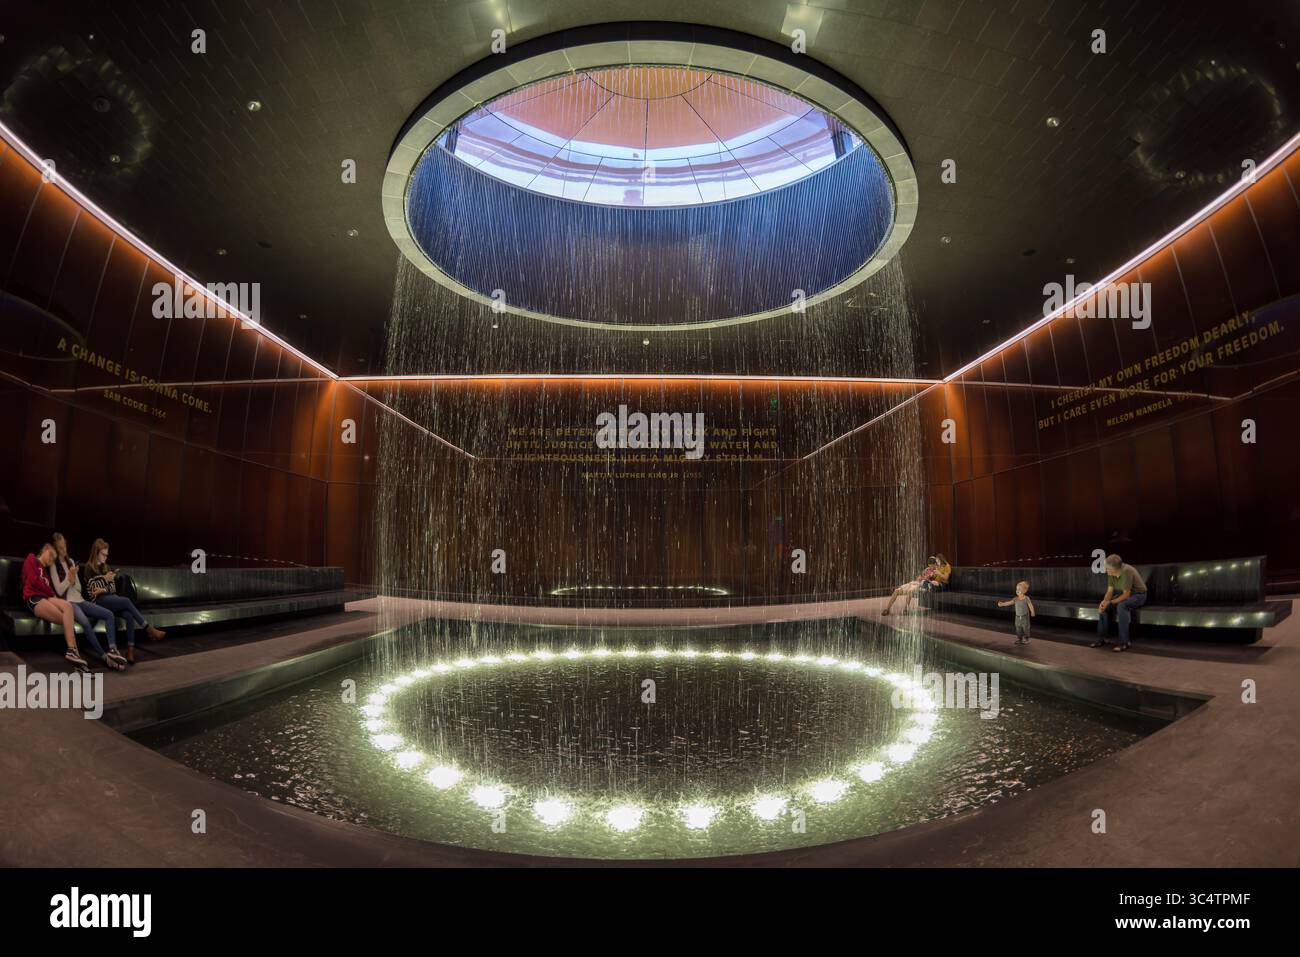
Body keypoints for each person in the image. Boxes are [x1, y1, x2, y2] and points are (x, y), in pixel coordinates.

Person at [50, 533, 126, 670]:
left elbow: (78, 587)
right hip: (69, 602)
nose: (64, 551)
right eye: (60, 548)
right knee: (85, 623)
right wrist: (69, 578)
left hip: (80, 599)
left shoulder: (71, 562)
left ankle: (113, 650)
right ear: (55, 550)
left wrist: (73, 580)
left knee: (109, 614)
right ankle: (105, 657)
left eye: (65, 547)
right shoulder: (53, 567)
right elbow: (59, 591)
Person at [83, 538, 165, 660]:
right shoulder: (89, 568)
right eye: (103, 554)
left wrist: (104, 586)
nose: (105, 557)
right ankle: (149, 629)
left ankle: (130, 651)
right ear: (96, 553)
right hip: (99, 602)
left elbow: (113, 589)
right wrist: (105, 581)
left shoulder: (106, 567)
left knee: (129, 616)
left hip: (111, 599)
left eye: (107, 554)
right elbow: (93, 592)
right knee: (126, 601)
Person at [21, 543, 89, 669]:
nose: (52, 560)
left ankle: (74, 654)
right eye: (51, 556)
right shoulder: (31, 559)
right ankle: (76, 656)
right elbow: (34, 581)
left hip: (46, 597)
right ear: (45, 549)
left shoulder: (45, 573)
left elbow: (49, 590)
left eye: (54, 558)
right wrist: (51, 595)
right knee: (67, 619)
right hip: (34, 598)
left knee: (68, 607)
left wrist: (55, 597)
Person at [1092, 553, 1147, 653]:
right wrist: (1104, 602)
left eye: (1107, 568)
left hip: (1138, 595)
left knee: (1122, 606)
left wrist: (1111, 602)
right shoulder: (1111, 573)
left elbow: (1126, 595)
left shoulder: (1126, 571)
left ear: (1116, 568)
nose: (1105, 570)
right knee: (1104, 608)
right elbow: (1109, 591)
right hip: (1125, 594)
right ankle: (1102, 638)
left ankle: (1124, 642)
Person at [882, 554, 947, 615]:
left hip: (921, 585)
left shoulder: (936, 571)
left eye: (932, 565)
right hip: (915, 583)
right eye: (929, 565)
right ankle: (887, 609)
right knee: (896, 591)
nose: (930, 567)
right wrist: (918, 578)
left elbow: (930, 581)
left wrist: (927, 578)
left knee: (910, 591)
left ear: (935, 564)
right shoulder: (927, 569)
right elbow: (919, 577)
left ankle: (906, 609)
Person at [998, 580, 1035, 644]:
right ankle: (1019, 638)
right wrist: (1002, 604)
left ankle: (1026, 638)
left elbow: (1030, 605)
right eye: (1016, 589)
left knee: (1026, 627)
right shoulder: (1015, 599)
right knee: (1018, 628)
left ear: (1025, 591)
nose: (1017, 590)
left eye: (1019, 589)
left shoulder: (1026, 598)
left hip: (1024, 616)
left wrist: (1032, 612)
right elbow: (1009, 603)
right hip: (1017, 617)